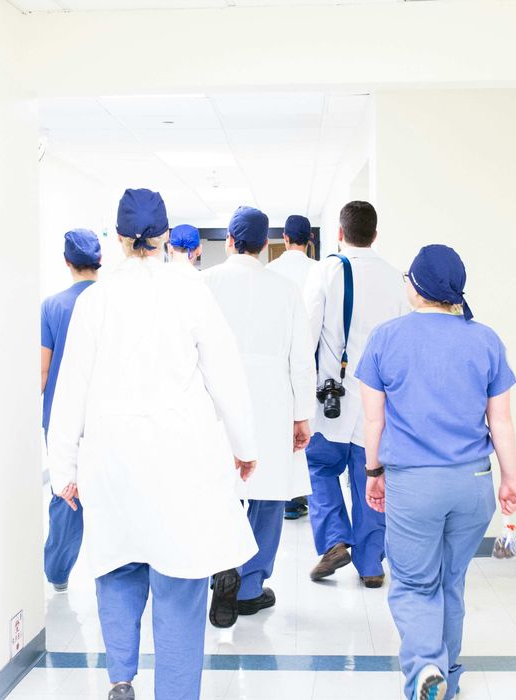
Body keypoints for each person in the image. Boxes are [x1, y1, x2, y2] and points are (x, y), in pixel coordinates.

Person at [47, 188, 259, 700]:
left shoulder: (96, 299)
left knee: (117, 566)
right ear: (166, 236)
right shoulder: (191, 291)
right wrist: (244, 444)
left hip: (112, 458)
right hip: (179, 458)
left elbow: (69, 388)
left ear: (118, 239)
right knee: (180, 580)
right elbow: (225, 373)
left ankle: (121, 678)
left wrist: (63, 470)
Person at [356, 244, 516, 700]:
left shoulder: (386, 338)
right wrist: (509, 479)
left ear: (417, 286)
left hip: (415, 484)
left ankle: (425, 668)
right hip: (472, 484)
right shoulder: (485, 339)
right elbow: (501, 421)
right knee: (452, 580)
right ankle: (445, 676)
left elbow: (375, 421)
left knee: (413, 583)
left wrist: (374, 471)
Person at [202, 207, 315, 628]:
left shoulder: (205, 284)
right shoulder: (285, 289)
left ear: (230, 241)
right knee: (267, 495)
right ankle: (249, 587)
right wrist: (302, 416)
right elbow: (301, 360)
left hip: (216, 401)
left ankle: (220, 567)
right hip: (272, 402)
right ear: (266, 244)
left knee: (219, 489)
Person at [302, 201, 410, 587]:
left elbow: (307, 334)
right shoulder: (396, 278)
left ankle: (335, 540)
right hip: (377, 405)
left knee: (318, 469)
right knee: (372, 477)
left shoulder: (328, 270)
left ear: (340, 234)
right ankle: (370, 565)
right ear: (375, 235)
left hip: (331, 400)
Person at [40, 228, 101, 593]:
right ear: (100, 261)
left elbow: (43, 370)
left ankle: (59, 572)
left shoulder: (52, 305)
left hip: (62, 413)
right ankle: (115, 571)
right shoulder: (112, 300)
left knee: (67, 491)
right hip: (105, 412)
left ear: (67, 262)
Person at [266, 214, 317, 521]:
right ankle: (303, 497)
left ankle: (288, 499)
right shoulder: (321, 270)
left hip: (277, 362)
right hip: (309, 360)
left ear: (284, 238)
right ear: (309, 238)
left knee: (281, 432)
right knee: (308, 430)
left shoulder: (270, 271)